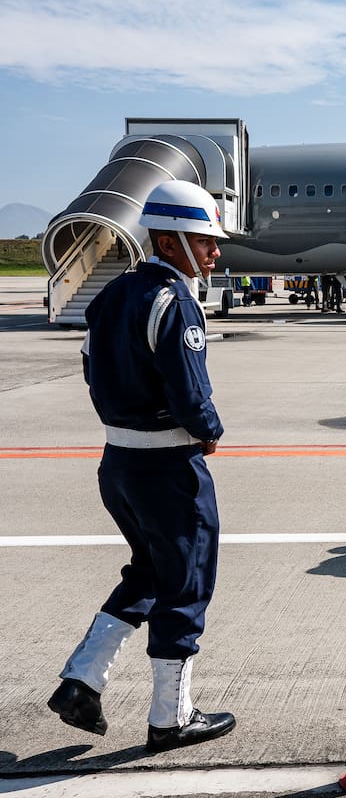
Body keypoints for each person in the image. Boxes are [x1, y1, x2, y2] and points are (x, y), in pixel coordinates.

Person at [48, 180, 236, 753]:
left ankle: (83, 679)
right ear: (169, 240)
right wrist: (209, 431)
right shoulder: (173, 301)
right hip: (167, 468)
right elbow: (190, 392)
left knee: (150, 573)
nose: (214, 251)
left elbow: (90, 368)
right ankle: (170, 718)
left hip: (119, 463)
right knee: (185, 583)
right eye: (204, 240)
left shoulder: (112, 294)